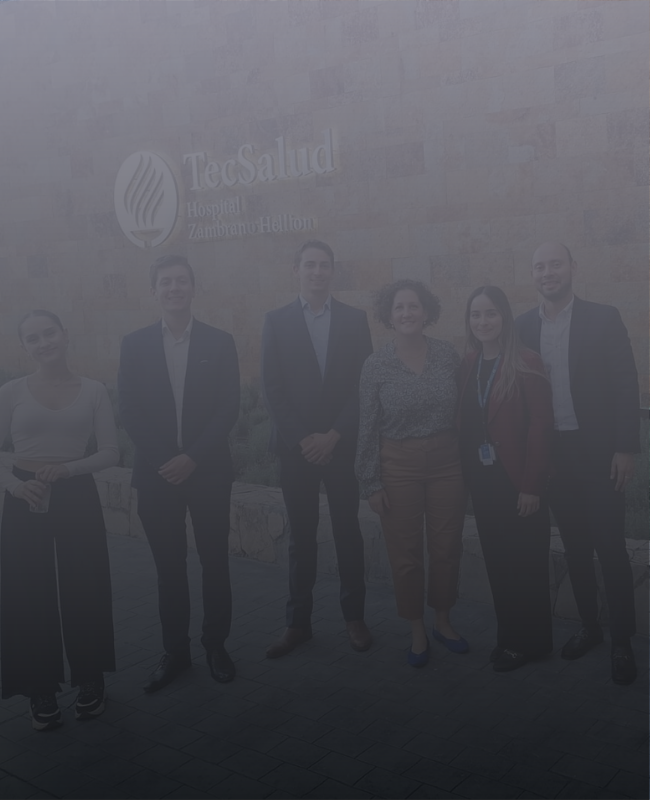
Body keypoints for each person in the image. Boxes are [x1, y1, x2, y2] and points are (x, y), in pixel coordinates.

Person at [516, 242, 640, 685]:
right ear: (532, 274)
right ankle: (590, 627)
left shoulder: (603, 318)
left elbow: (625, 383)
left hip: (600, 454)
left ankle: (622, 640)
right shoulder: (522, 326)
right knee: (575, 548)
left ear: (572, 268)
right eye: (539, 266)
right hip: (555, 457)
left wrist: (625, 447)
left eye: (555, 264)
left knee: (610, 548)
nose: (547, 272)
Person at [118, 254, 240, 692]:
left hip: (208, 472)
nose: (174, 288)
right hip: (157, 476)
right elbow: (129, 409)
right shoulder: (134, 344)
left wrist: (193, 457)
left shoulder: (219, 341)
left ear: (192, 287)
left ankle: (216, 645)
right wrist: (165, 460)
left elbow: (229, 406)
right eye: (166, 281)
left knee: (215, 563)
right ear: (154, 290)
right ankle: (176, 652)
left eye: (181, 280)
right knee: (169, 569)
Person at [0, 310, 118, 730]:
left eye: (49, 333)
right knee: (28, 592)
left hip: (75, 493)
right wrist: (15, 487)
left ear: (65, 335)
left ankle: (90, 678)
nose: (43, 342)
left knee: (85, 586)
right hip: (24, 493)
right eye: (32, 338)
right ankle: (40, 687)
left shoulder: (93, 390)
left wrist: (69, 470)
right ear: (24, 347)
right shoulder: (11, 391)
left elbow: (110, 452)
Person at [261, 240, 373, 658]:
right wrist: (304, 438)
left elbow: (364, 385)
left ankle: (355, 618)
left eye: (324, 265)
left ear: (332, 271)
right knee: (301, 537)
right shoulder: (276, 321)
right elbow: (272, 387)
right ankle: (298, 623)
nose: (317, 272)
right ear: (296, 270)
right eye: (310, 264)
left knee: (348, 533)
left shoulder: (354, 320)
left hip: (340, 446)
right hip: (297, 450)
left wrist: (334, 435)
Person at [355, 280, 467, 667]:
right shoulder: (375, 365)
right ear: (389, 314)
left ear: (426, 312)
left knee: (446, 547)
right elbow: (367, 426)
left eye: (413, 306)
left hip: (447, 463)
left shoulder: (447, 355)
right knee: (406, 555)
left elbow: (465, 411)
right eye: (399, 307)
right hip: (398, 466)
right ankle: (417, 629)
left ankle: (443, 621)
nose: (407, 313)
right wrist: (370, 482)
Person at [457, 286, 554, 672]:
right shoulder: (469, 363)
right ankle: (510, 637)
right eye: (476, 314)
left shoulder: (527, 362)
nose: (482, 321)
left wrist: (532, 486)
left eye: (490, 313)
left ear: (504, 318)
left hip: (518, 481)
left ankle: (532, 644)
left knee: (525, 565)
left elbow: (541, 428)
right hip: (484, 484)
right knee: (499, 564)